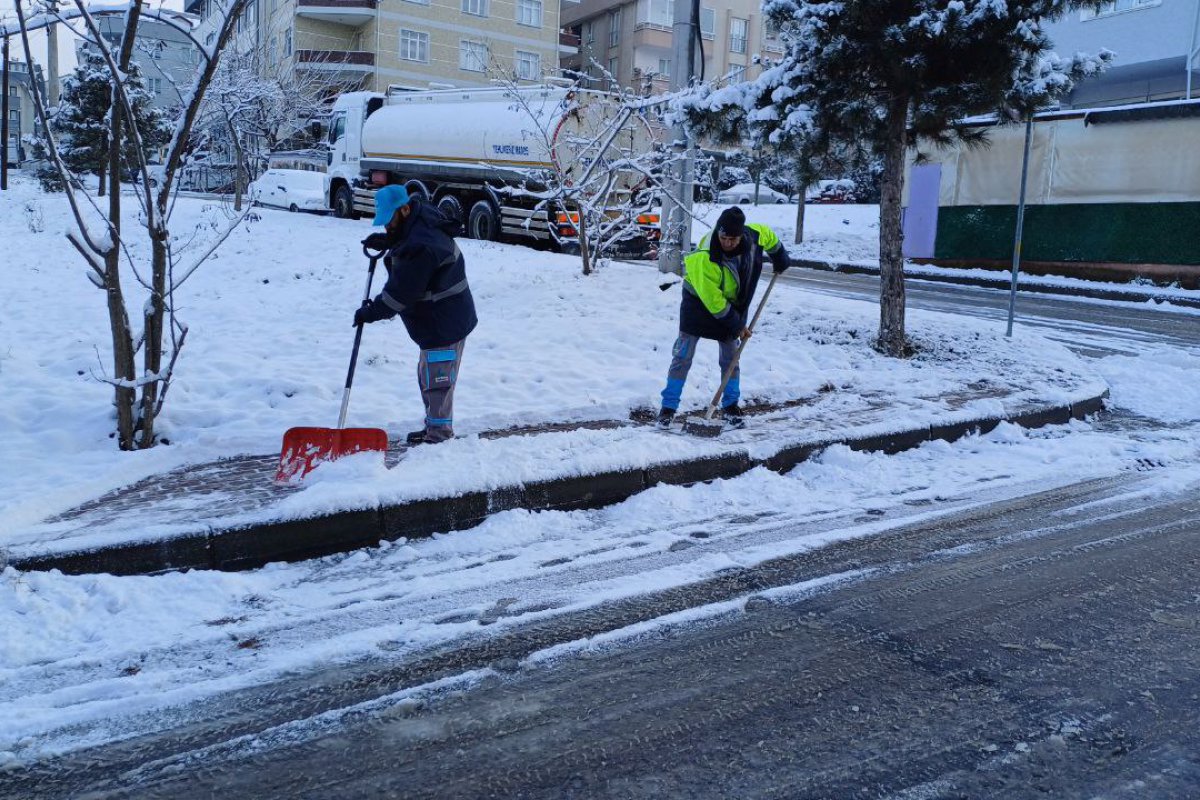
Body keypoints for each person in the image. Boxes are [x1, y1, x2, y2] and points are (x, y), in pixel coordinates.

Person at [355, 185, 478, 445]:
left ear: (405, 209)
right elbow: (405, 239)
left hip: (444, 321)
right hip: (437, 319)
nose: (387, 226)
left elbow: (401, 294)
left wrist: (371, 312)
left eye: (389, 220)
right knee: (427, 375)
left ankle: (439, 437)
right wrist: (388, 241)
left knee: (438, 381)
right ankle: (433, 427)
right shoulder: (417, 220)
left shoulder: (421, 245)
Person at [657, 206, 790, 429]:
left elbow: (768, 235)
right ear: (718, 232)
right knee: (683, 356)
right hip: (698, 302)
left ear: (741, 235)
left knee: (731, 357)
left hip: (732, 305)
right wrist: (738, 325)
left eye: (733, 238)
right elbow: (714, 302)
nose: (728, 242)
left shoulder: (752, 236)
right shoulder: (705, 257)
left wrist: (779, 254)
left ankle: (730, 406)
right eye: (724, 237)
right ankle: (667, 409)